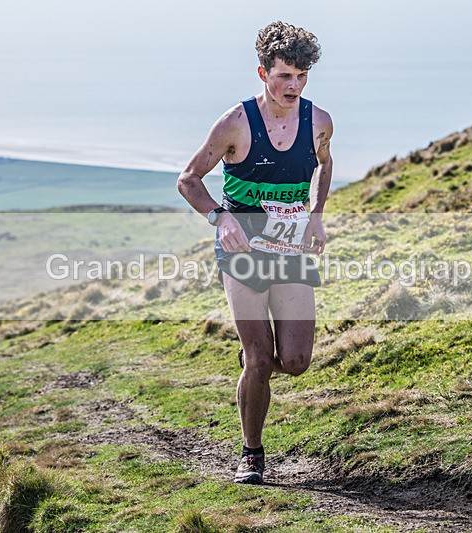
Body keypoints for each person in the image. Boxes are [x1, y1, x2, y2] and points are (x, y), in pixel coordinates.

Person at [176, 21, 333, 484]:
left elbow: (324, 164)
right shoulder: (235, 124)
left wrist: (318, 214)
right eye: (284, 75)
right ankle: (252, 454)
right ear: (262, 73)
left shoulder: (318, 121)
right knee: (261, 359)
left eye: (301, 76)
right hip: (242, 248)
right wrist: (220, 218)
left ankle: (251, 366)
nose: (294, 85)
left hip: (289, 248)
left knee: (296, 363)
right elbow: (188, 179)